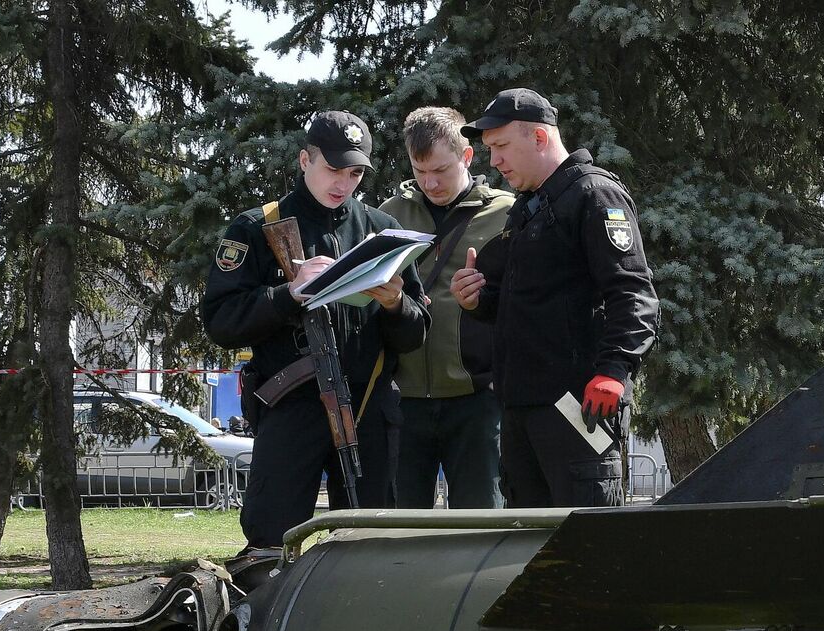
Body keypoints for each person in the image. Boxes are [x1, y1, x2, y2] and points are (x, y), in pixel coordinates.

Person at [202, 110, 428, 549]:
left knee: (371, 544)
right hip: (292, 408)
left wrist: (396, 304)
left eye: (356, 172)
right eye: (333, 169)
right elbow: (222, 321)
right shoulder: (257, 228)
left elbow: (415, 334)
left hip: (368, 410)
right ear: (305, 159)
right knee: (270, 542)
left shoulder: (384, 232)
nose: (343, 183)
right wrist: (289, 294)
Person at [451, 89, 658, 508]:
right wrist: (477, 299)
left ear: (540, 138)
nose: (495, 162)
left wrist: (615, 370)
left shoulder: (594, 195)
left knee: (587, 545)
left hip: (577, 406)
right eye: (490, 150)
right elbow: (529, 304)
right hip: (521, 408)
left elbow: (633, 292)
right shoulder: (527, 207)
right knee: (527, 549)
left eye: (502, 147)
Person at [378, 106, 514, 509]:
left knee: (480, 524)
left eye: (441, 170)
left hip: (478, 401)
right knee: (398, 528)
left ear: (467, 156)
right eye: (420, 172)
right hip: (404, 402)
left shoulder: (508, 214)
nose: (430, 183)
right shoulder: (388, 216)